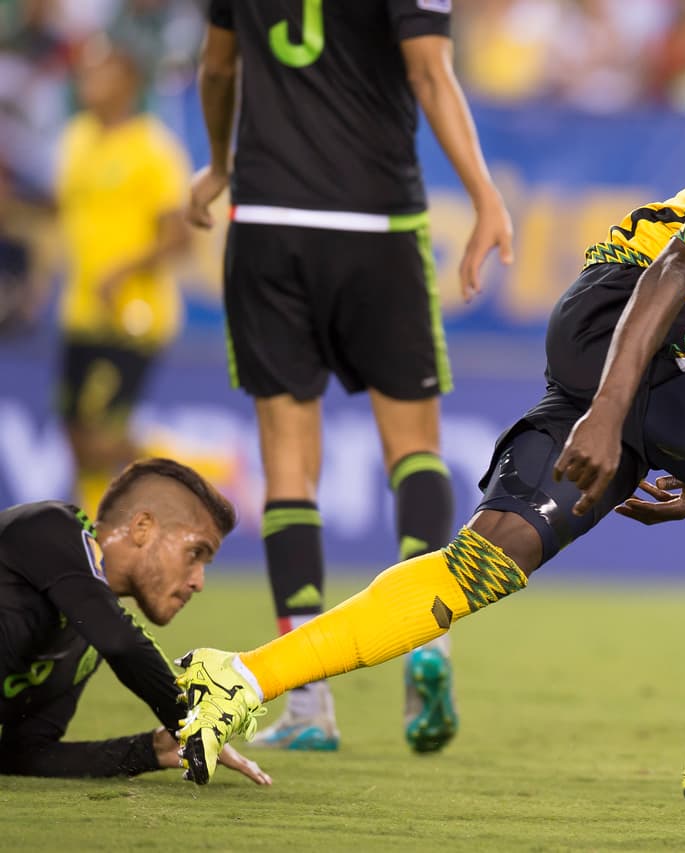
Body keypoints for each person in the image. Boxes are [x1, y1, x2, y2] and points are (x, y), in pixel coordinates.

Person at [175, 8, 685, 813]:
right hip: (624, 311)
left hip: (684, 360)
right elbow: (671, 274)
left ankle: (236, 678)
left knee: (488, 560)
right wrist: (610, 412)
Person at [187, 1, 514, 753]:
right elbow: (431, 74)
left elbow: (217, 65)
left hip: (267, 221)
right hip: (379, 222)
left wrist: (217, 162)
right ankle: (428, 639)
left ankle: (306, 702)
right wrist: (485, 195)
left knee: (289, 461)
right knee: (413, 449)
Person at [0, 458, 268, 784]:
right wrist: (192, 722)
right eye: (195, 553)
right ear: (143, 528)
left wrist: (148, 750)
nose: (199, 582)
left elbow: (24, 754)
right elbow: (123, 643)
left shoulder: (85, 637)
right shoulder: (49, 527)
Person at [54, 38, 192, 518]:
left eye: (101, 72)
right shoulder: (74, 139)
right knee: (75, 432)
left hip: (135, 313)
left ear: (129, 81)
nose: (88, 82)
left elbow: (181, 238)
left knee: (101, 433)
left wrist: (123, 270)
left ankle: (197, 469)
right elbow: (68, 221)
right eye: (86, 73)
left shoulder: (153, 148)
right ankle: (89, 536)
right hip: (80, 309)